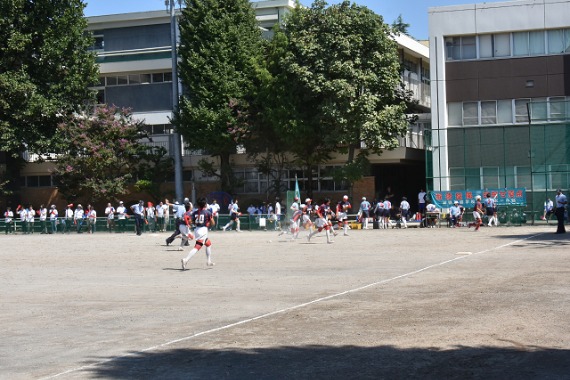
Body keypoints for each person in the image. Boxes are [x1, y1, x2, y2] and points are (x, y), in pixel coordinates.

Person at [181, 197, 216, 270]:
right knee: (197, 247)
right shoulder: (208, 212)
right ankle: (186, 259)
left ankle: (209, 261)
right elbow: (213, 223)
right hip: (203, 230)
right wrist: (208, 223)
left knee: (208, 243)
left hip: (197, 229)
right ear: (205, 204)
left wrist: (195, 222)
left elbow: (190, 221)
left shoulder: (195, 212)